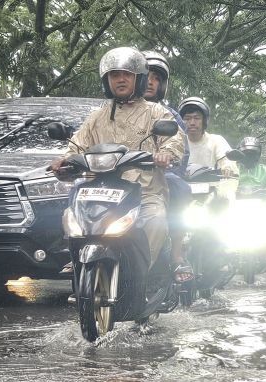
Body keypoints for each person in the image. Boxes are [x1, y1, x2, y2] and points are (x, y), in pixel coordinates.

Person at [50, 47, 185, 268]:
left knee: (157, 220)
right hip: (101, 190)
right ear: (107, 80)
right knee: (71, 215)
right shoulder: (97, 116)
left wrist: (166, 154)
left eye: (127, 74)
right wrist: (64, 161)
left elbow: (175, 140)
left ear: (138, 79)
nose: (120, 79)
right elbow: (77, 143)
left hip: (145, 191)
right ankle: (79, 264)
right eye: (114, 74)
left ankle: (141, 273)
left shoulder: (157, 113)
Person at [143, 51, 193, 282]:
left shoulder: (170, 114)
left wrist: (167, 158)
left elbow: (180, 147)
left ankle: (176, 252)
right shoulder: (112, 110)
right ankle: (79, 249)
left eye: (156, 78)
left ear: (162, 84)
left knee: (180, 188)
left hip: (159, 176)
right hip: (120, 175)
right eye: (145, 76)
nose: (150, 81)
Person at [178, 97, 239, 177]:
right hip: (182, 187)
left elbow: (227, 159)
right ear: (181, 121)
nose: (192, 122)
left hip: (212, 187)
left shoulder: (216, 141)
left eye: (197, 118)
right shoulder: (177, 143)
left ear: (204, 121)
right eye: (187, 118)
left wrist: (227, 166)